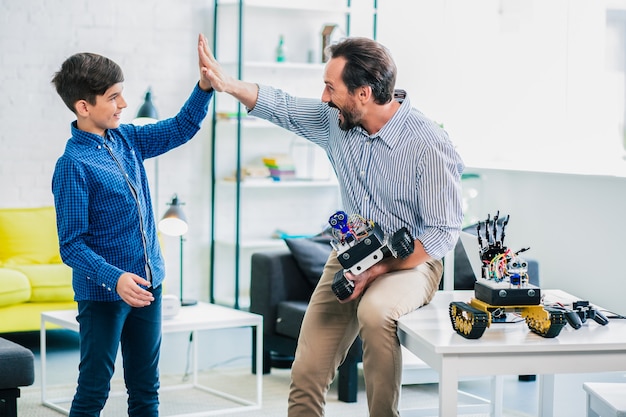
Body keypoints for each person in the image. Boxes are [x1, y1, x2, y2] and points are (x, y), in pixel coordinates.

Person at [199, 35, 464, 417]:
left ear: (363, 93)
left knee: (376, 313)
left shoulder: (428, 144)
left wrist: (378, 270)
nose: (323, 97)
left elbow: (442, 231)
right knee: (306, 370)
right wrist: (227, 84)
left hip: (411, 259)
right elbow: (283, 106)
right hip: (349, 255)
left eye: (330, 87)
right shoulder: (334, 122)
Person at [51, 34, 214, 417]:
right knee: (94, 389)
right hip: (105, 295)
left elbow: (180, 128)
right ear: (83, 106)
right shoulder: (73, 165)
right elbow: (71, 245)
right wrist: (116, 278)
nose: (123, 103)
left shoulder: (126, 139)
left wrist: (204, 88)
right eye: (112, 97)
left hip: (149, 284)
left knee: (146, 389)